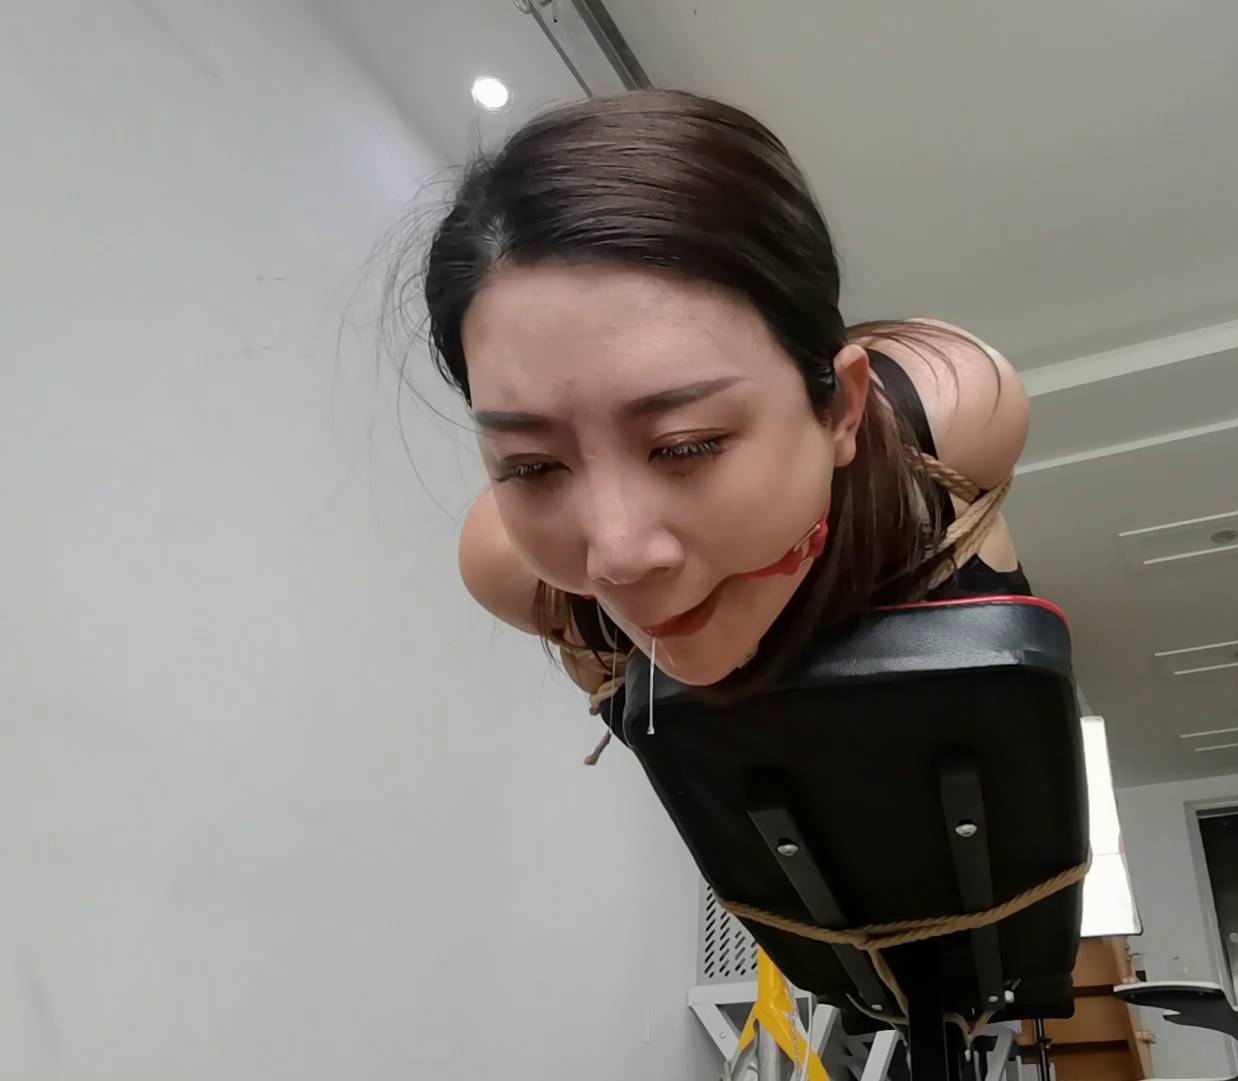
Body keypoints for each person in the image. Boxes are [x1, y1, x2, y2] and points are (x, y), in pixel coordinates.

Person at [418, 89, 1033, 736]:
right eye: (532, 466)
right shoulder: (514, 572)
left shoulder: (953, 415)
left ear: (842, 408)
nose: (617, 558)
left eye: (685, 446)